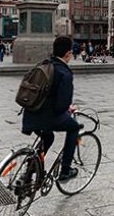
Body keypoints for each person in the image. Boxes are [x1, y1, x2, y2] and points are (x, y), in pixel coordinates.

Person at [21, 36, 81, 181]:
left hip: (30, 114)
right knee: (74, 128)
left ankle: (29, 172)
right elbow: (62, 104)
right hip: (47, 117)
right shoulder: (64, 72)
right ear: (67, 54)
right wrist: (68, 109)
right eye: (71, 53)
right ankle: (65, 170)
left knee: (48, 136)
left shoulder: (43, 64)